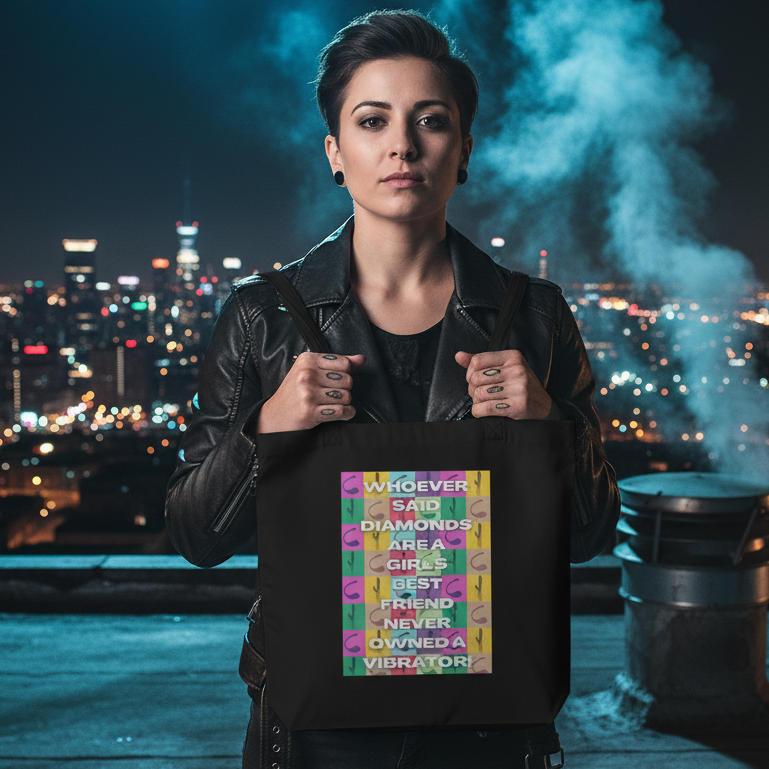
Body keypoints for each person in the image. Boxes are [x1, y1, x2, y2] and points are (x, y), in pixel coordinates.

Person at [165, 10, 620, 769]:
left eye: (430, 121)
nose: (402, 145)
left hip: (492, 715)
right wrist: (267, 428)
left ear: (464, 149)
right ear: (335, 153)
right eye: (372, 121)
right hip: (317, 724)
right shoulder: (261, 318)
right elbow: (195, 536)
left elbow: (589, 535)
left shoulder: (534, 316)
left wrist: (548, 425)